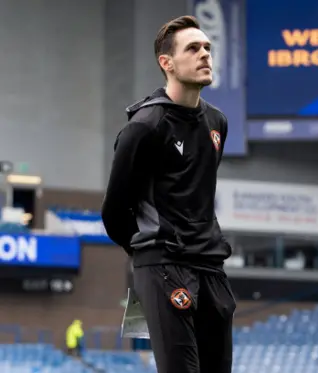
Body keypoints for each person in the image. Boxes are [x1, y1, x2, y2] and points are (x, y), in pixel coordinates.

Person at [101, 15, 235, 373]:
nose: (205, 54)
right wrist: (150, 253)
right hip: (163, 266)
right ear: (167, 63)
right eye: (193, 48)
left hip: (210, 265)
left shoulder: (217, 123)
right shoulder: (145, 126)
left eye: (207, 47)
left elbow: (198, 194)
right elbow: (114, 212)